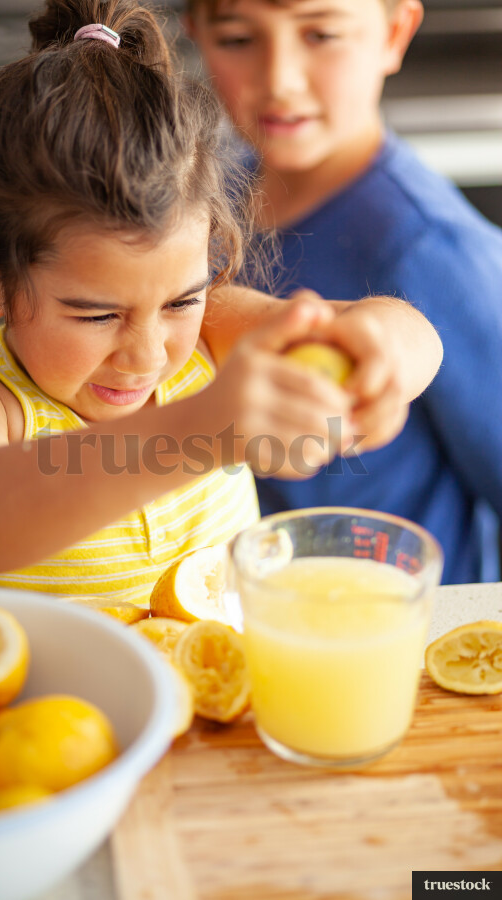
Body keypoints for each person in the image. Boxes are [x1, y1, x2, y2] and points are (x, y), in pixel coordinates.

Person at [0, 0, 441, 606]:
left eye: (179, 300)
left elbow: (411, 332)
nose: (147, 353)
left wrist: (380, 354)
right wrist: (205, 429)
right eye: (98, 314)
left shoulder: (213, 331)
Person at [186, 0, 502, 584]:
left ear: (395, 32)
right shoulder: (203, 189)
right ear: (195, 35)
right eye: (236, 39)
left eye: (322, 33)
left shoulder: (435, 251)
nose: (279, 78)